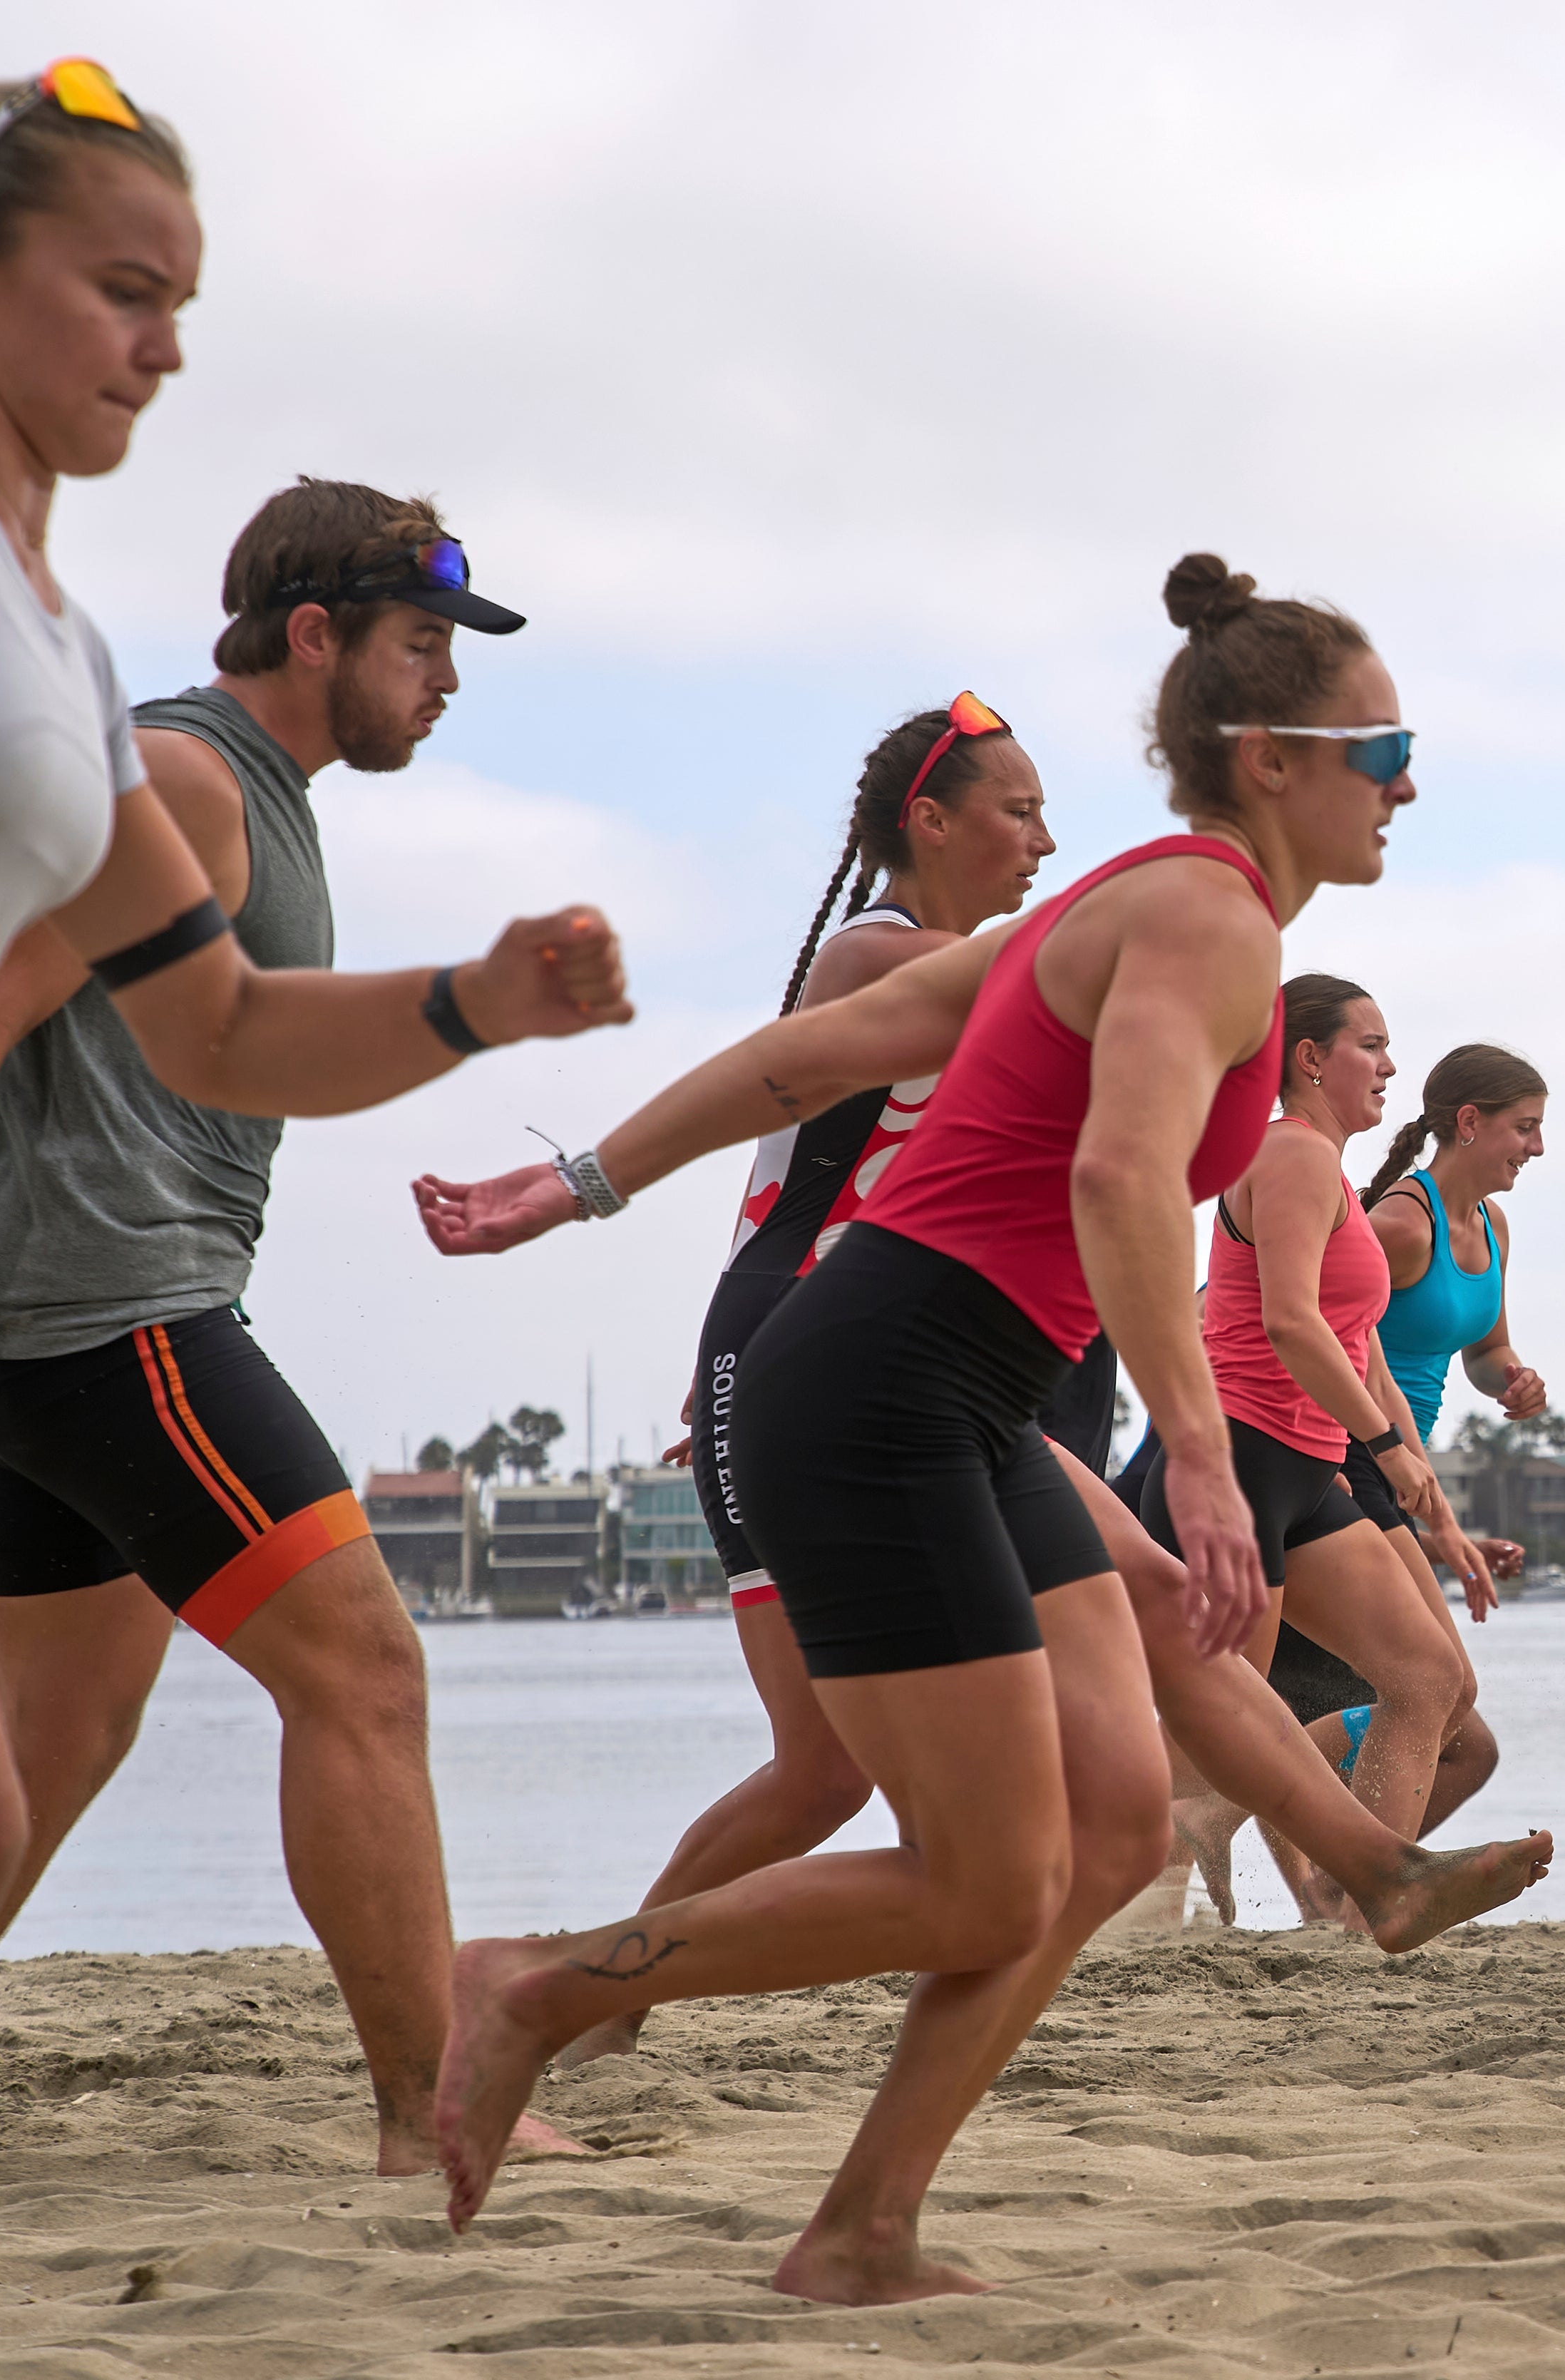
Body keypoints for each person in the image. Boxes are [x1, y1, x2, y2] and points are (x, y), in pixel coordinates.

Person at [407, 556, 1547, 2298]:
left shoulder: (1114, 909)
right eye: (1381, 742)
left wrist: (570, 1182)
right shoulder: (1209, 919)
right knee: (983, 1879)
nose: (1405, 778)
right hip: (882, 1388)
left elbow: (821, 1051)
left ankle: (864, 2225)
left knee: (1102, 1825)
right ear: (1267, 755)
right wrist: (1194, 1452)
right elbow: (1104, 1169)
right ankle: (541, 1984)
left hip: (962, 1392)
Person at [0, 53, 628, 2182]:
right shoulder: (163, 749)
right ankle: (424, 2092)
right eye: (425, 640)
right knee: (361, 1656)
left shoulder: (99, 700)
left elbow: (235, 1028)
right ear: (312, 628)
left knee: (11, 1775)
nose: (446, 679)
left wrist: (477, 1001)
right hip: (101, 1302)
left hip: (11, 1307)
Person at [557, 695, 1056, 2069]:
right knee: (824, 1766)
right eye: (1018, 811)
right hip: (792, 1352)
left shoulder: (943, 962)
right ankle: (594, 1996)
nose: (1044, 841)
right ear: (931, 823)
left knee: (1124, 1591)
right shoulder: (877, 954)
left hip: (868, 1362)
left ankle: (1347, 1867)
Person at [1166, 1032, 1539, 1921]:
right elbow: (1308, 1318)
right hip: (1332, 1455)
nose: (1536, 1146)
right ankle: (1305, 1866)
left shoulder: (1487, 1226)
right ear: (1471, 1121)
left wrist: (1508, 1382)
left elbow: (1477, 1348)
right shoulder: (1391, 1220)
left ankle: (1344, 1888)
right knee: (1420, 1698)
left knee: (1430, 1692)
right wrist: (1396, 1462)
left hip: (1361, 1462)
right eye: (1525, 1126)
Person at [1119, 978, 1494, 1853]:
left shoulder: (1323, 1169)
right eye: (1371, 1044)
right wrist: (1383, 1445)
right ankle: (1096, 1880)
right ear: (1311, 1059)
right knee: (1219, 1737)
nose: (1391, 1063)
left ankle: (1371, 1902)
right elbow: (1290, 1320)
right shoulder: (1289, 1155)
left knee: (1429, 1678)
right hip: (1236, 1468)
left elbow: (1354, 1339)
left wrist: (1418, 1477)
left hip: (1305, 1476)